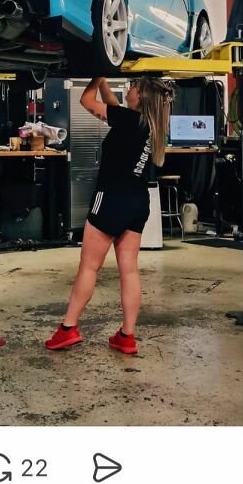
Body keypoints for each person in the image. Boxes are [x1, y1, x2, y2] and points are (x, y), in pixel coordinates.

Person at [45, 75, 174, 354]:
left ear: (141, 97)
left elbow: (86, 101)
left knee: (89, 267)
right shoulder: (150, 125)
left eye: (135, 87)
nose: (130, 89)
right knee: (128, 269)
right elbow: (110, 103)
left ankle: (68, 329)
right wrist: (104, 76)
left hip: (111, 199)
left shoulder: (128, 119)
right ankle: (127, 336)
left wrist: (94, 75)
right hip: (137, 204)